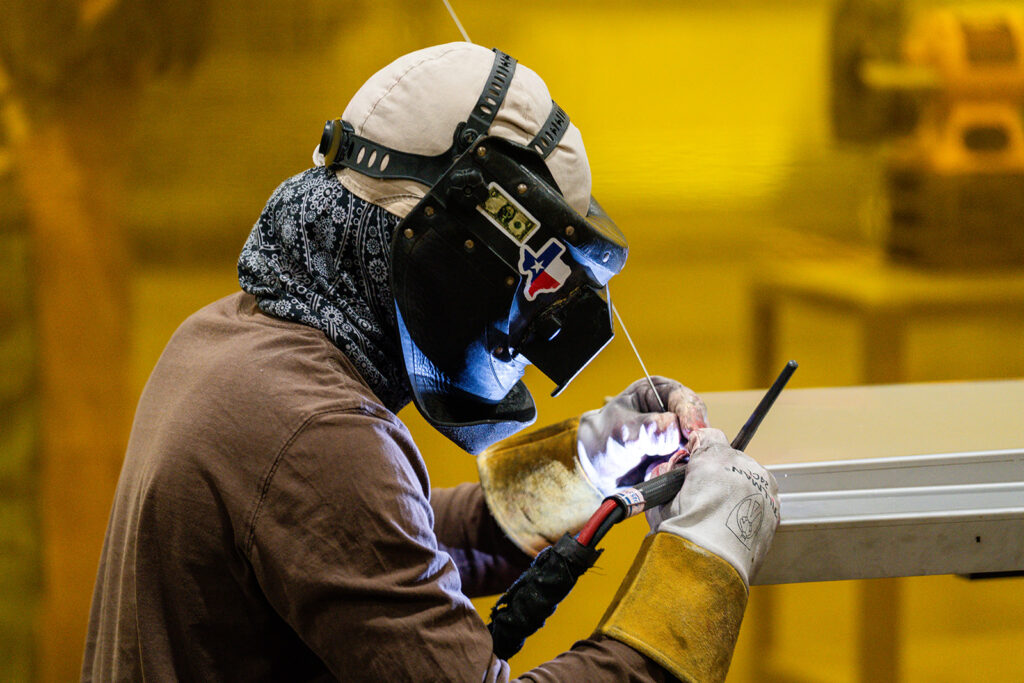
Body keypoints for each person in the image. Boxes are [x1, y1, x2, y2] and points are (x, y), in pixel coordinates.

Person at [83, 42, 779, 682]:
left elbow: (379, 538)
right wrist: (703, 558)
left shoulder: (231, 341)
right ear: (454, 253)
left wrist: (595, 462)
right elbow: (353, 509)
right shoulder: (316, 430)